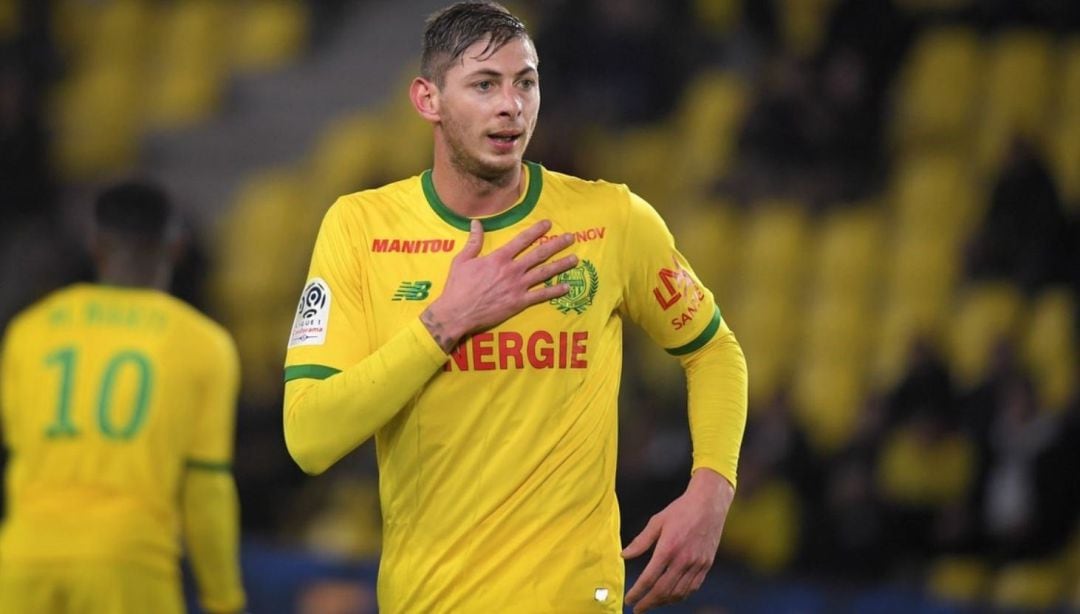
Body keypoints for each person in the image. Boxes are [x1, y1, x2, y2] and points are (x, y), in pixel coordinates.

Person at [283, 3, 748, 612]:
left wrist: (711, 489)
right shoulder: (361, 228)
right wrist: (443, 324)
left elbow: (714, 349)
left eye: (524, 82)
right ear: (428, 100)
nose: (512, 105)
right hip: (431, 599)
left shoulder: (611, 219)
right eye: (484, 84)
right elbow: (310, 437)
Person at [0, 181, 246, 614]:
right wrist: (223, 598)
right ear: (176, 247)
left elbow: (13, 451)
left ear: (96, 246)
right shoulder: (204, 344)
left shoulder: (30, 330)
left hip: (23, 557)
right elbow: (206, 486)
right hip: (126, 561)